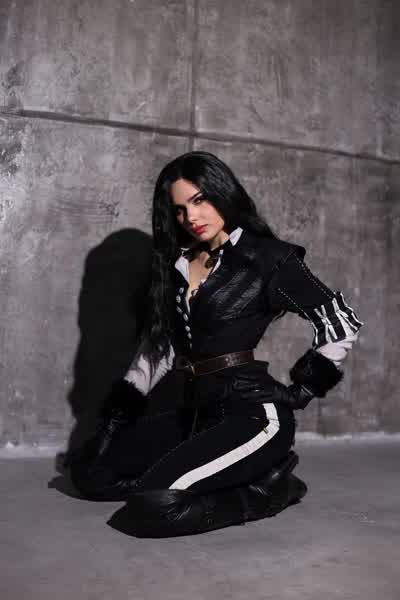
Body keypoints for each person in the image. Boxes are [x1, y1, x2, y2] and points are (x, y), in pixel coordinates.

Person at [68, 150, 364, 538]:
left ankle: (268, 490)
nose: (191, 217)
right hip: (196, 414)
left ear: (223, 192)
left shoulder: (268, 259)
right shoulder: (177, 265)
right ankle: (206, 476)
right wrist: (116, 418)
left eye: (200, 200)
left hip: (252, 415)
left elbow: (340, 322)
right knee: (89, 473)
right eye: (179, 210)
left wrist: (302, 390)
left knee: (155, 504)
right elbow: (161, 348)